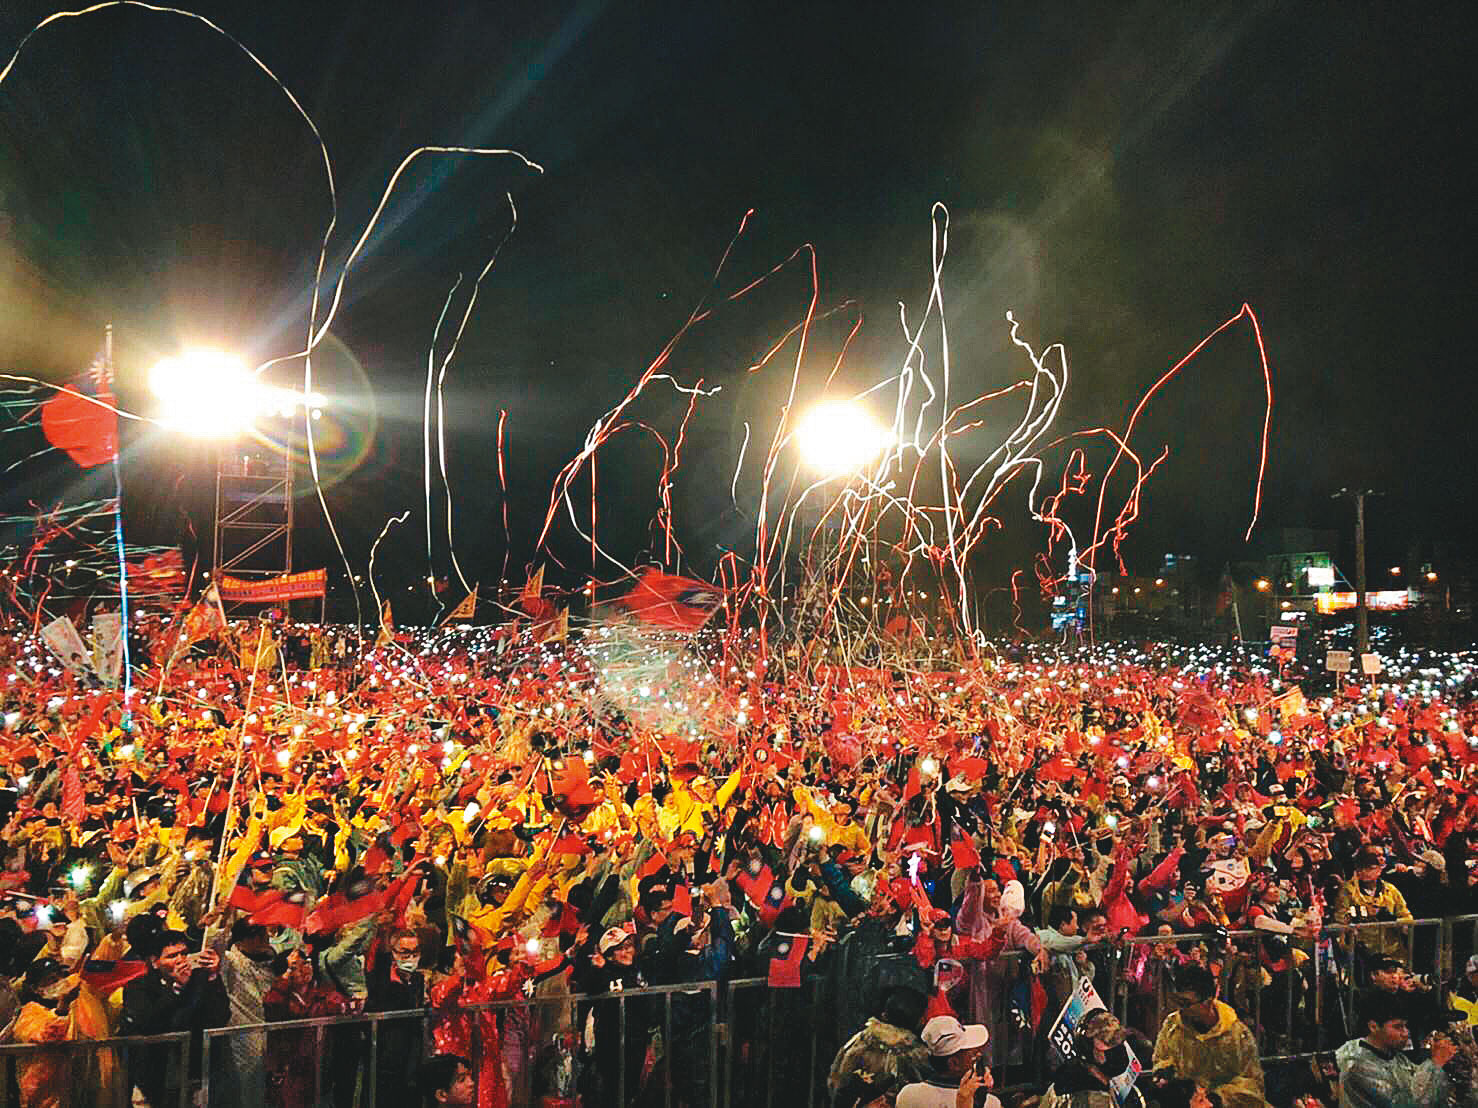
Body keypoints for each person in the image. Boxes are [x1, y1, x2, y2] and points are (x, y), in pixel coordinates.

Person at [119, 928, 229, 1108]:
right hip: (153, 1076)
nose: (180, 960)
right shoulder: (137, 987)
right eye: (171, 956)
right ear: (155, 962)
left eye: (184, 953)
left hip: (193, 1074)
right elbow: (148, 1023)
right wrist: (176, 988)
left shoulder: (200, 980)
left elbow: (220, 1016)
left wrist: (213, 975)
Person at [1152, 963, 1266, 1108]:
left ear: (1208, 1001)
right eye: (1178, 1002)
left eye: (1187, 1003)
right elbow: (1161, 1058)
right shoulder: (1172, 1025)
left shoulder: (1238, 1035)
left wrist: (1216, 1099)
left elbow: (1252, 1085)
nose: (1181, 1009)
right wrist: (1165, 1074)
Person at [1336, 991, 1456, 1108]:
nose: (1405, 1033)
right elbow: (1407, 1104)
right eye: (1398, 1027)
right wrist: (1435, 1063)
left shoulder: (1394, 1056)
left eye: (1406, 1026)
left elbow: (1420, 1085)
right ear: (1373, 1027)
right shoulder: (1357, 1065)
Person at [828, 986, 932, 1100]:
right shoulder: (916, 1057)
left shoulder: (860, 1040)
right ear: (918, 1020)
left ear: (884, 1014)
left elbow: (835, 1083)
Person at [895, 1014, 996, 1108]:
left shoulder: (907, 1096)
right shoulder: (990, 1104)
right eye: (973, 1054)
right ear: (954, 1063)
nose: (979, 1055)